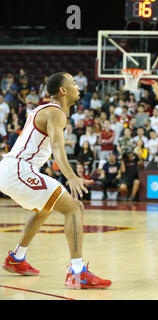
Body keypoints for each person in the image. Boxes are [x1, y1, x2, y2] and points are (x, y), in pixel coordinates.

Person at [0, 72, 111, 288]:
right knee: (74, 208)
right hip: (19, 170)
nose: (78, 87)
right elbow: (58, 147)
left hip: (13, 169)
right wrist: (71, 176)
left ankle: (17, 258)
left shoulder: (44, 110)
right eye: (74, 83)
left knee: (45, 209)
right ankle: (78, 272)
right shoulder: (56, 113)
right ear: (63, 90)